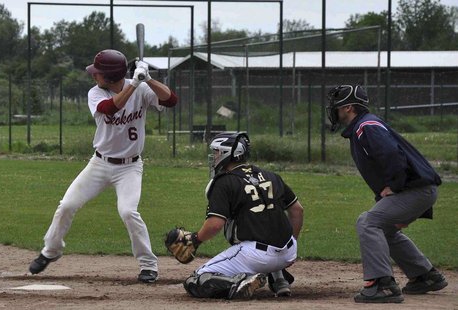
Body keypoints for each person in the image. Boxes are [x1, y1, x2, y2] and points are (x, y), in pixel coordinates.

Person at [28, 49, 178, 283]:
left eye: (97, 73)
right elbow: (111, 108)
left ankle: (148, 265)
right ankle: (51, 251)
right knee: (67, 205)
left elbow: (171, 100)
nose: (93, 75)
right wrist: (135, 84)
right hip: (99, 164)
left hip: (130, 167)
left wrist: (148, 79)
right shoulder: (95, 93)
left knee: (128, 212)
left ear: (109, 76)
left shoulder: (140, 86)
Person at [326, 84, 447, 303]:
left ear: (349, 108)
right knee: (384, 229)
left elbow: (392, 155)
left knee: (368, 222)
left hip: (414, 190)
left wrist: (396, 186)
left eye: (338, 107)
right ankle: (424, 276)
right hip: (417, 190)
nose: (334, 110)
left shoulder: (366, 127)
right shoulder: (364, 126)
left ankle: (383, 285)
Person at [181, 132, 304, 300]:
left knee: (196, 280)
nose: (213, 156)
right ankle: (278, 277)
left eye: (216, 152)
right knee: (267, 223)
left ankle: (239, 281)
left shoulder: (224, 181)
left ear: (227, 153)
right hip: (289, 252)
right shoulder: (271, 175)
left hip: (255, 255)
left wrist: (196, 239)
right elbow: (297, 210)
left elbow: (215, 224)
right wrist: (292, 244)